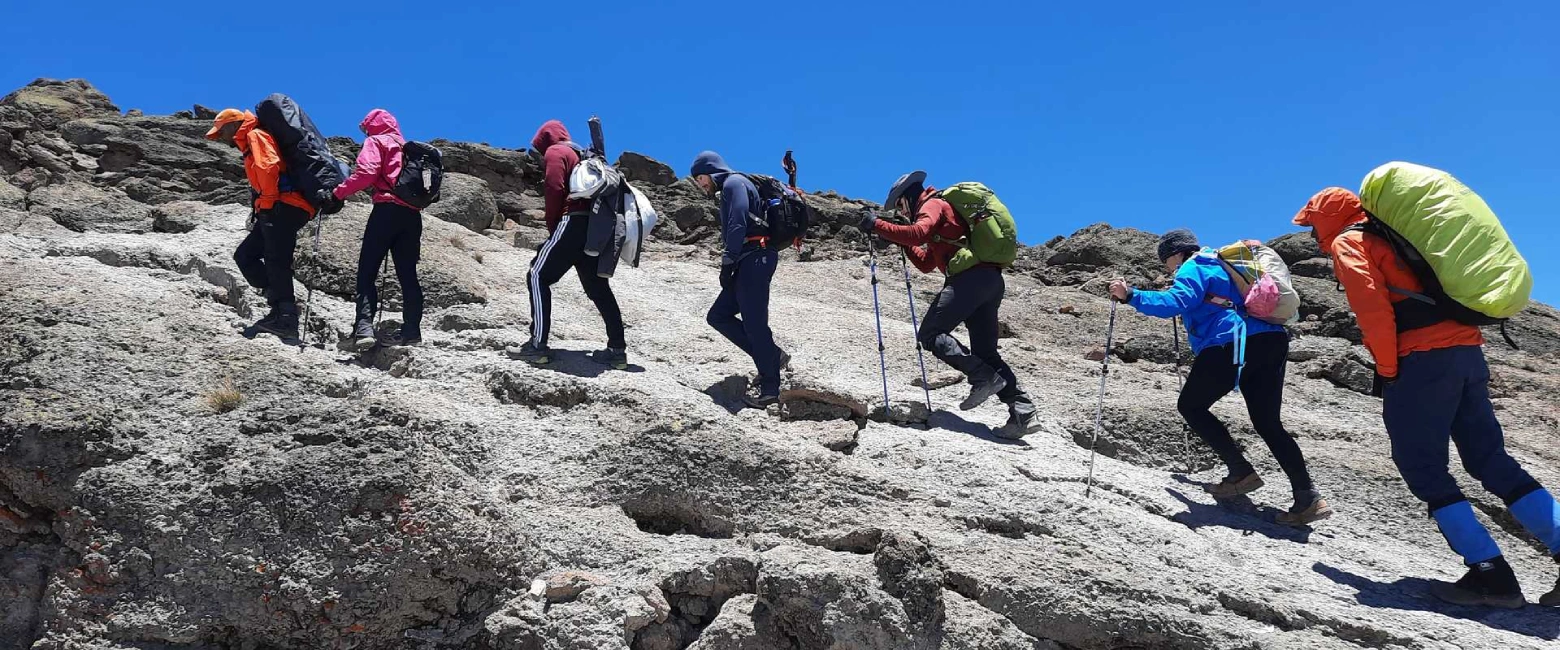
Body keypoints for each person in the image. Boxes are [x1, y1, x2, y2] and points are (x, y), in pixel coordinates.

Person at [1296, 187, 1560, 608]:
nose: (1311, 235)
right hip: (1467, 353)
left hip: (1422, 360)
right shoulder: (1399, 236)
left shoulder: (1351, 242)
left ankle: (1490, 575)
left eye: (1312, 225)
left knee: (1423, 467)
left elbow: (1373, 310)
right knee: (1490, 460)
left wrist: (1387, 369)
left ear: (1328, 218)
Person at [1108, 229, 1330, 525]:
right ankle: (1308, 498)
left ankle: (1240, 471)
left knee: (1191, 406)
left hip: (1232, 341)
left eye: (1166, 261)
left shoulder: (1195, 265)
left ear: (1175, 254)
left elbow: (1176, 302)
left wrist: (1131, 295)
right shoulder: (1226, 264)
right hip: (1272, 340)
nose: (1168, 268)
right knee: (1268, 423)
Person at [859, 171, 1040, 437]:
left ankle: (983, 377)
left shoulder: (932, 204)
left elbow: (918, 232)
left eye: (899, 205)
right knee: (986, 352)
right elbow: (925, 262)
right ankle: (1023, 412)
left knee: (930, 333)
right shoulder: (945, 214)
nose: (901, 211)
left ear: (907, 198)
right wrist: (898, 237)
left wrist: (877, 225)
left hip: (968, 280)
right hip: (990, 280)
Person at [505, 120, 627, 369]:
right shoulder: (579, 153)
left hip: (571, 222)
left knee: (537, 275)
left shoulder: (555, 151)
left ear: (544, 139)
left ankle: (537, 346)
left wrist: (554, 228)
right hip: (592, 229)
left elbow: (554, 188)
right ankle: (617, 350)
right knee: (598, 288)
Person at [207, 108, 316, 345]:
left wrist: (266, 205)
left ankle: (286, 318)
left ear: (231, 125)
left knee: (276, 259)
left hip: (283, 204)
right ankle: (279, 303)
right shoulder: (250, 139)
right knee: (246, 255)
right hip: (279, 204)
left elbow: (269, 167)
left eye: (220, 132)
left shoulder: (255, 135)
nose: (221, 139)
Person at [689, 151, 788, 408]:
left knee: (755, 324)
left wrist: (728, 259)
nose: (701, 185)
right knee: (718, 315)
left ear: (710, 171)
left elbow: (737, 222)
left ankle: (770, 389)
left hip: (754, 259)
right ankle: (772, 357)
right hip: (749, 259)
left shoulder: (734, 183)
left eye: (700, 178)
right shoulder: (736, 184)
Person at [332, 109, 423, 350]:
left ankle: (363, 330)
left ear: (372, 126)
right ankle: (412, 332)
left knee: (367, 272)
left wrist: (338, 192)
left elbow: (367, 173)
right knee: (408, 276)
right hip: (412, 216)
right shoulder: (409, 148)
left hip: (386, 211)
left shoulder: (376, 141)